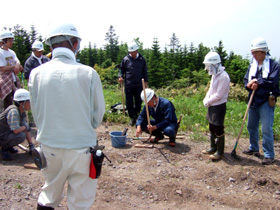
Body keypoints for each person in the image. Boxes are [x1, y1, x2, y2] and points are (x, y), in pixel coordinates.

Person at [28, 23, 105, 210]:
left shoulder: (36, 74)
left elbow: (36, 112)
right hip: (81, 148)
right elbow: (98, 115)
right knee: (80, 202)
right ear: (75, 44)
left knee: (49, 194)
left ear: (50, 46)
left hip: (49, 146)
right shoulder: (88, 73)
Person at [243, 37, 280, 165]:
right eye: (252, 52)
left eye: (255, 52)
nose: (253, 54)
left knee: (266, 128)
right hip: (253, 100)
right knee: (251, 125)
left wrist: (257, 82)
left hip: (266, 100)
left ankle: (269, 155)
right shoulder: (251, 66)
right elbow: (245, 81)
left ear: (263, 51)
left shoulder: (274, 65)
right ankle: (254, 148)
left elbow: (272, 81)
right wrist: (249, 85)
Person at [201, 52, 230, 160]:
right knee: (211, 126)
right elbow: (211, 89)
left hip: (218, 105)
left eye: (209, 65)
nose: (208, 68)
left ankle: (220, 151)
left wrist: (208, 101)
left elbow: (219, 94)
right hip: (212, 104)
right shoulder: (215, 75)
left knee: (218, 127)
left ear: (214, 64)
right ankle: (213, 147)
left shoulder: (223, 77)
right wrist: (206, 98)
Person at [119, 41, 148, 126]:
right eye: (130, 52)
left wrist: (146, 81)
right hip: (128, 84)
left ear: (137, 50)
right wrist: (120, 77)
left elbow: (145, 71)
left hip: (139, 84)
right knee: (129, 102)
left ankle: (137, 116)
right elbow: (121, 70)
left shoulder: (142, 59)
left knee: (138, 101)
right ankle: (132, 118)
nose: (132, 54)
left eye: (134, 52)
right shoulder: (126, 59)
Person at [0, 89, 34, 161]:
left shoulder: (22, 111)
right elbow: (16, 130)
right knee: (20, 136)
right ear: (22, 103)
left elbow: (25, 128)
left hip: (5, 135)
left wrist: (31, 145)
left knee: (22, 132)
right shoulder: (13, 112)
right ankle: (4, 149)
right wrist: (25, 126)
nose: (30, 104)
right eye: (28, 102)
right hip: (2, 135)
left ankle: (8, 146)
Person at [0, 30, 23, 110]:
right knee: (8, 102)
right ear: (3, 41)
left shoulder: (12, 52)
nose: (11, 42)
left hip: (14, 79)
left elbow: (17, 61)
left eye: (12, 40)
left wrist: (17, 65)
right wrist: (14, 67)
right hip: (5, 79)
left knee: (18, 99)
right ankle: (6, 121)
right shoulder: (0, 53)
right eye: (9, 40)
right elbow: (2, 67)